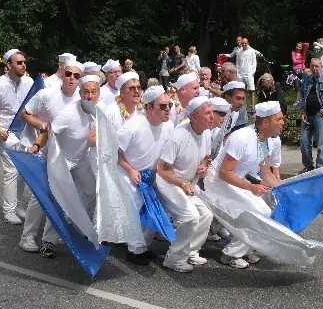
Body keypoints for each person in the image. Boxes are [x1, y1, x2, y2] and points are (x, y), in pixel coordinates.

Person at [205, 101, 284, 268]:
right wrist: (251, 187)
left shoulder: (267, 141)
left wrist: (284, 190)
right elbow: (224, 172)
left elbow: (266, 173)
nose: (283, 122)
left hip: (236, 180)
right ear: (265, 122)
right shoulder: (242, 137)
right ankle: (231, 254)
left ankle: (244, 248)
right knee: (256, 213)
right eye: (279, 119)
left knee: (265, 211)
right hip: (217, 182)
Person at [24, 60, 84, 257]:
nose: (71, 78)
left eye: (76, 76)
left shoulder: (81, 98)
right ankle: (28, 236)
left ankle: (51, 238)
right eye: (68, 74)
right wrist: (40, 125)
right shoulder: (47, 94)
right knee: (40, 196)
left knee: (64, 197)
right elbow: (25, 113)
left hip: (70, 157)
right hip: (46, 151)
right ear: (62, 74)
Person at [117, 85, 175, 265]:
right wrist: (130, 169)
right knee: (137, 207)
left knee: (153, 207)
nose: (168, 110)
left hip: (150, 174)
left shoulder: (169, 126)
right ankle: (134, 250)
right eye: (162, 106)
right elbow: (114, 152)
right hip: (127, 172)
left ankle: (143, 246)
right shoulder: (132, 127)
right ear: (149, 107)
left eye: (170, 105)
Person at [156, 97, 214, 272]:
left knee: (206, 215)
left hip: (186, 184)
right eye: (208, 113)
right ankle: (173, 259)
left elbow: (206, 157)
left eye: (212, 112)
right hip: (169, 182)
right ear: (193, 117)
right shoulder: (178, 136)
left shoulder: (206, 133)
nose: (212, 117)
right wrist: (182, 183)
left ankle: (190, 251)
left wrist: (204, 166)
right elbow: (161, 169)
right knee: (190, 217)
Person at [0, 49, 34, 224]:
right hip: (4, 133)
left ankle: (18, 206)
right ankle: (8, 211)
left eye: (24, 62)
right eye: (19, 62)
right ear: (9, 65)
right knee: (12, 170)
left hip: (23, 133)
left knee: (22, 171)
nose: (23, 65)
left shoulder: (28, 82)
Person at [299, 58, 323, 172]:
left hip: (319, 115)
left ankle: (319, 167)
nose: (315, 69)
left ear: (321, 67)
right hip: (307, 115)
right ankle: (309, 167)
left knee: (320, 144)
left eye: (317, 66)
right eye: (313, 66)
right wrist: (302, 112)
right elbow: (301, 95)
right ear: (310, 67)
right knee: (304, 142)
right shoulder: (307, 79)